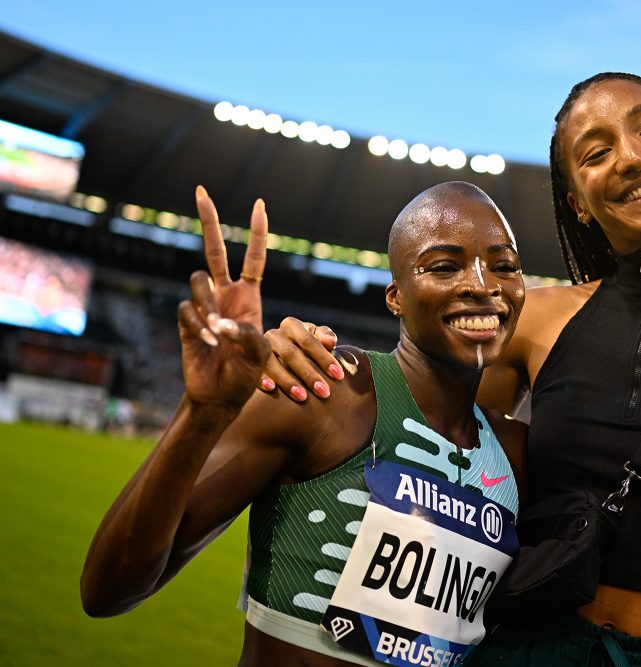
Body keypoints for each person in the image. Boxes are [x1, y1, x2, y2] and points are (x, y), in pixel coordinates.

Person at [260, 72, 641, 667]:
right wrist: (311, 356)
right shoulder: (531, 321)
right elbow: (424, 428)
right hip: (515, 647)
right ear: (577, 201)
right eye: (597, 153)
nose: (631, 157)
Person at [81, 181, 528, 666]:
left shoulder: (516, 456)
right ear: (395, 296)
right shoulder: (322, 393)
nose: (483, 286)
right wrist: (201, 415)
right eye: (444, 266)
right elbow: (107, 591)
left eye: (504, 267)